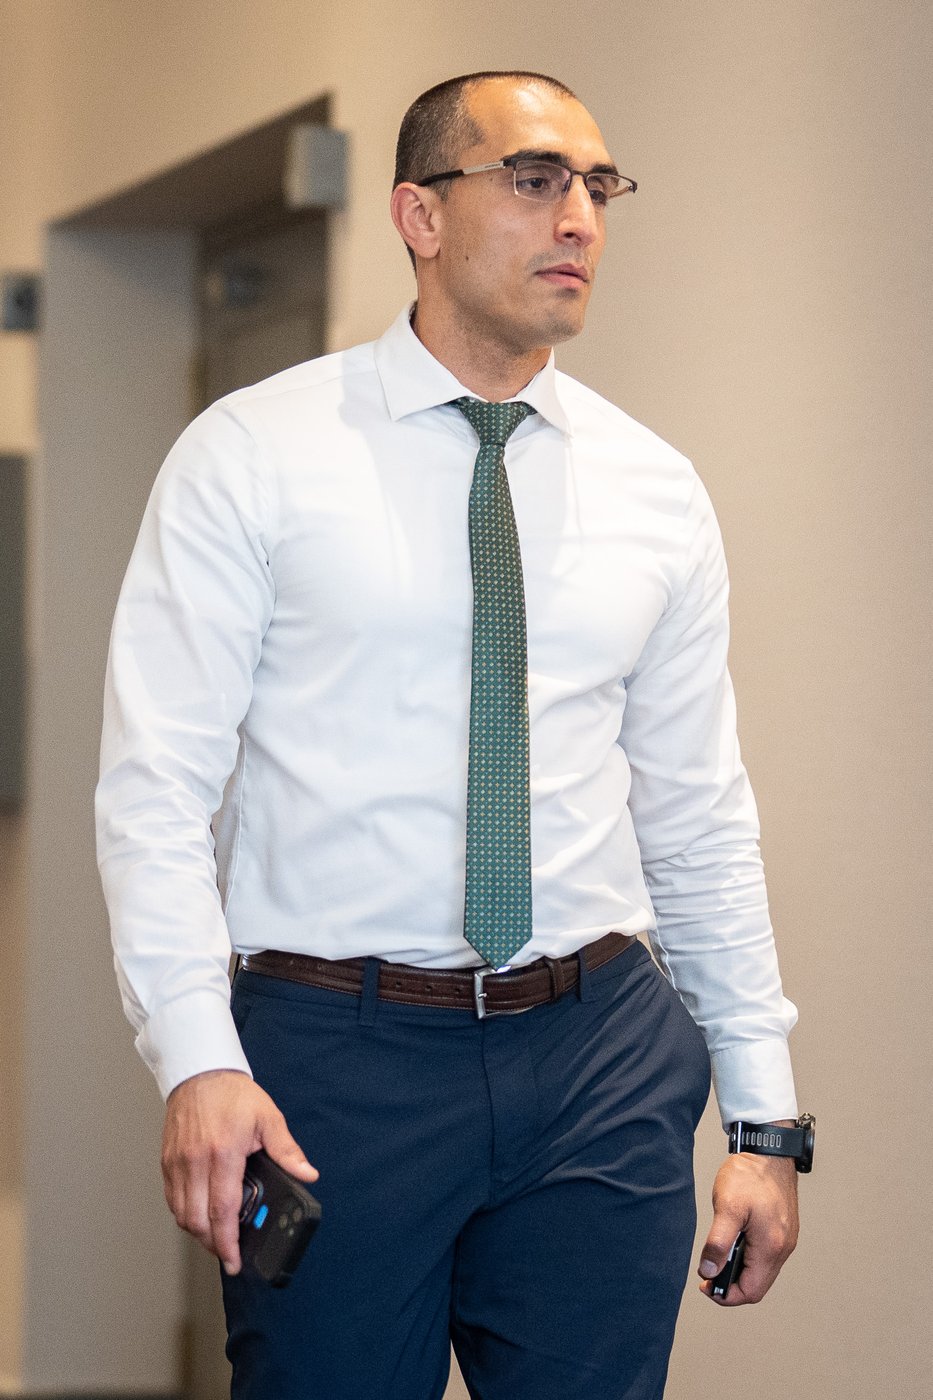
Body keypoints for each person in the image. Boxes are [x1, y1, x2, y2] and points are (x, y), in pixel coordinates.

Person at [96, 70, 802, 1400]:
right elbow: (155, 792)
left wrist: (764, 1115)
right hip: (331, 1066)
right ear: (418, 215)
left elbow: (698, 811)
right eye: (534, 180)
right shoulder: (252, 456)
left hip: (598, 1054)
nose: (579, 217)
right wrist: (197, 1057)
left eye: (598, 187)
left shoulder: (654, 488)